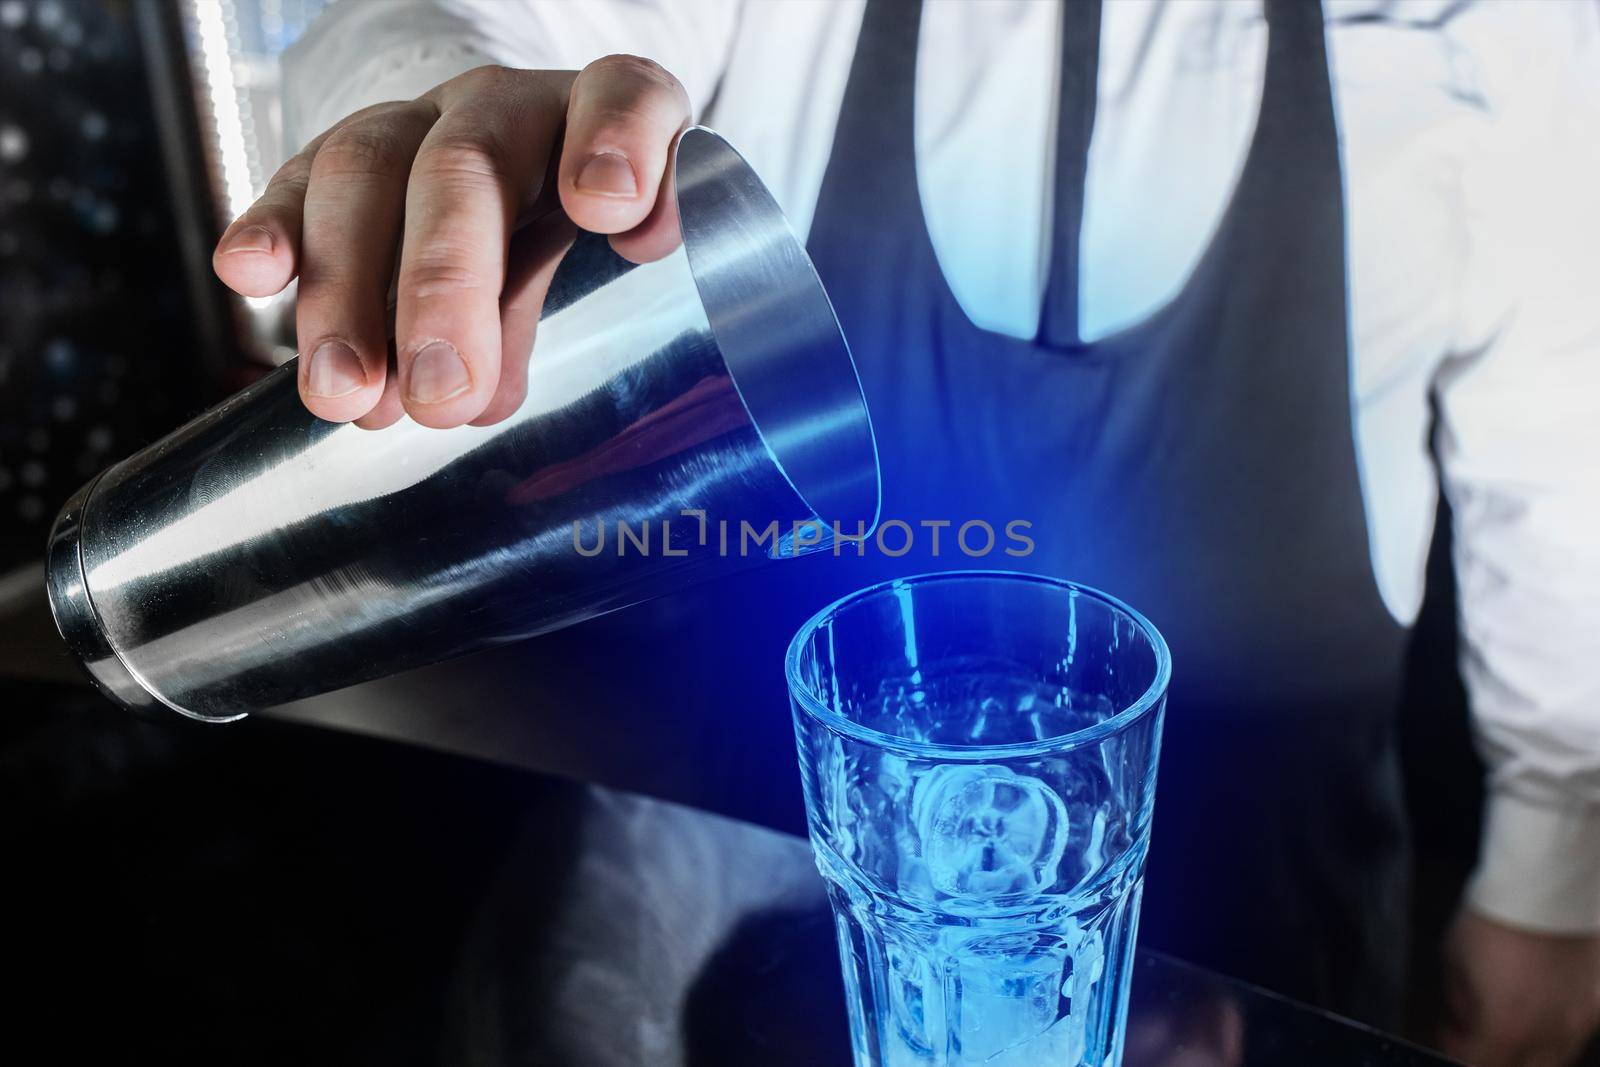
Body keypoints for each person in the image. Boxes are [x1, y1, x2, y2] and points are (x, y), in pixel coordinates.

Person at [210, 1, 1600, 1062]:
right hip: (753, 891)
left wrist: (1551, 869)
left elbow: (1564, 433)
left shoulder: (1493, 30)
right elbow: (463, 29)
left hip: (1282, 900)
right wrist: (432, 113)